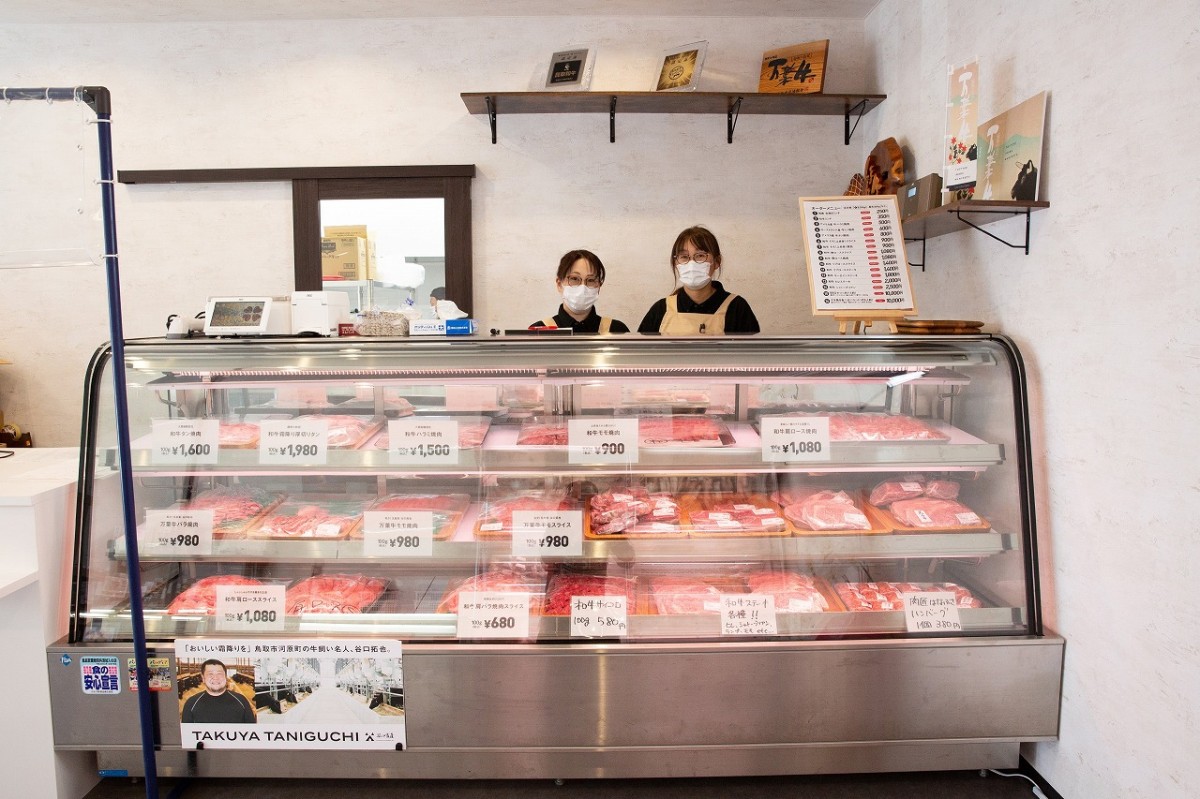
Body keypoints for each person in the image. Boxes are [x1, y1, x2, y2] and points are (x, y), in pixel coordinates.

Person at [637, 226, 760, 335]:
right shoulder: (660, 309)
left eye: (700, 255)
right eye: (684, 257)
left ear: (717, 262)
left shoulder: (737, 308)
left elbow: (751, 358)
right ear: (676, 262)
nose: (691, 263)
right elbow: (640, 357)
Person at [529, 249, 629, 334]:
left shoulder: (617, 330)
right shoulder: (539, 331)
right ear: (559, 284)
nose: (583, 287)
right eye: (574, 279)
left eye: (590, 280)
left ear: (598, 286)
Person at [181, 659, 257, 724]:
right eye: (210, 674)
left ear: (225, 677)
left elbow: (252, 731)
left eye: (219, 674)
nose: (215, 678)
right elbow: (187, 736)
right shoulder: (191, 703)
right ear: (203, 678)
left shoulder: (241, 700)